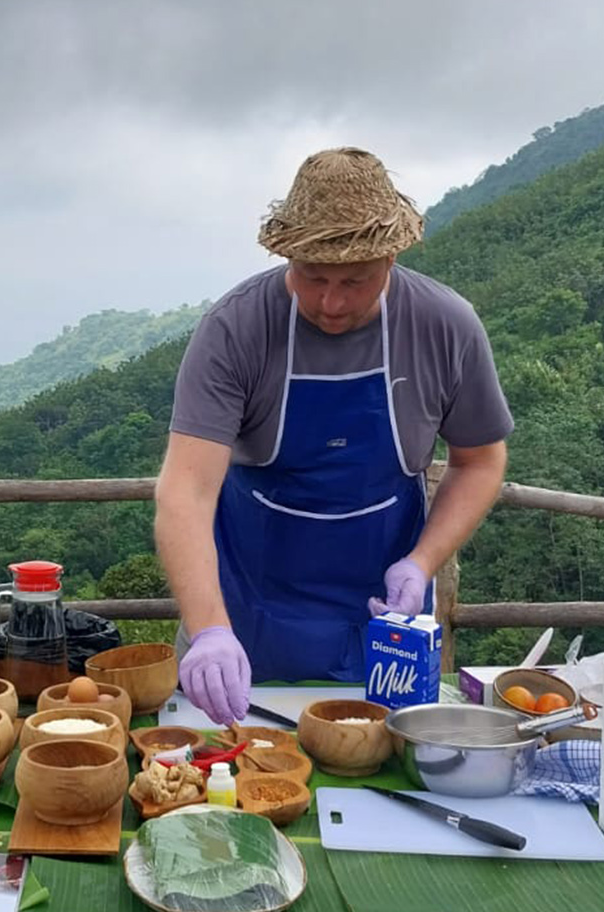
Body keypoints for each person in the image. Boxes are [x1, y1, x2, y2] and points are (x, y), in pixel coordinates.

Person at [156, 148, 512, 725]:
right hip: (247, 615)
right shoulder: (236, 329)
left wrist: (422, 562)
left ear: (390, 258)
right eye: (311, 277)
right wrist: (210, 629)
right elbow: (185, 493)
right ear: (286, 255)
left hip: (383, 629)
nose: (331, 303)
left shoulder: (445, 327)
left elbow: (479, 461)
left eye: (355, 280)